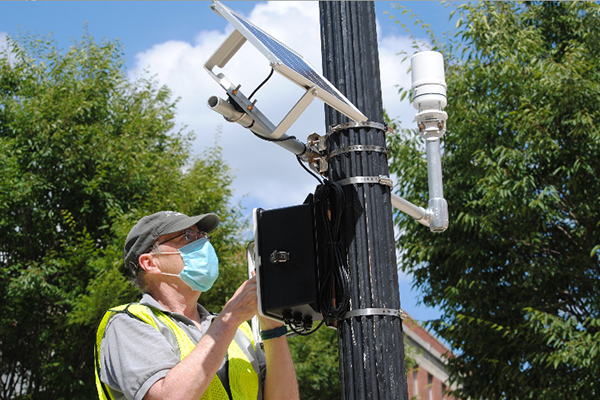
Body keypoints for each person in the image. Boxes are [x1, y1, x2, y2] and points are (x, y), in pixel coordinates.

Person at [94, 211, 299, 400]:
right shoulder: (128, 323)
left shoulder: (239, 332)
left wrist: (272, 326)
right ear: (150, 263)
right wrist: (230, 317)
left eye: (202, 236)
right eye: (188, 237)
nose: (203, 244)